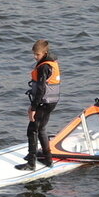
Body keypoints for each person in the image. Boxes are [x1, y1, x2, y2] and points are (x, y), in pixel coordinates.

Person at [18, 39, 62, 170]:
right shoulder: (51, 63)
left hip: (44, 102)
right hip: (52, 102)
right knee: (41, 128)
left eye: (37, 55)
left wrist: (33, 108)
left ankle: (31, 163)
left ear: (45, 53)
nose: (35, 57)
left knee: (32, 129)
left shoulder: (44, 66)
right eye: (34, 54)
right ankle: (48, 160)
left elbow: (42, 90)